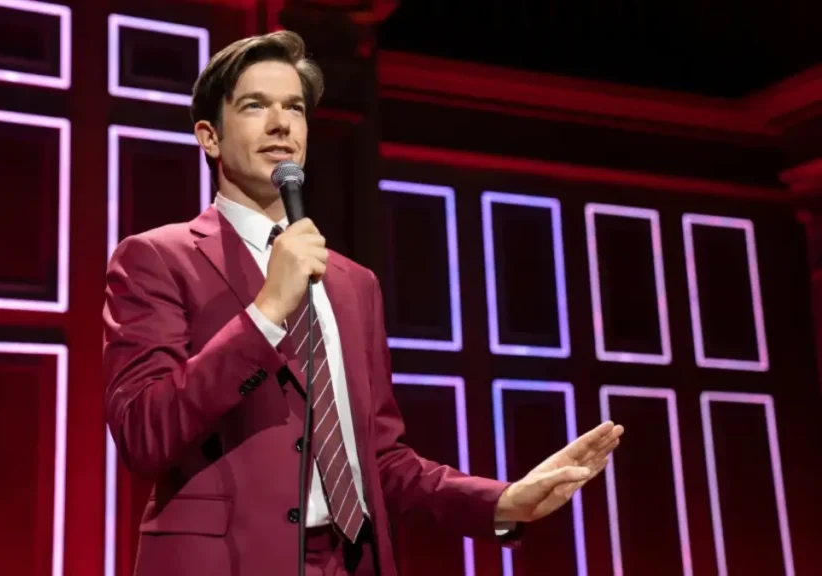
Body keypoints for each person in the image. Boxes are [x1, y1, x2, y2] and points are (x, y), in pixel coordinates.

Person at [102, 30, 624, 576]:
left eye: (295, 109)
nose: (281, 124)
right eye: (256, 106)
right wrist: (265, 313)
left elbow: (379, 460)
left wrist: (500, 502)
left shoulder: (354, 284)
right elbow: (143, 431)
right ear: (209, 137)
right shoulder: (155, 258)